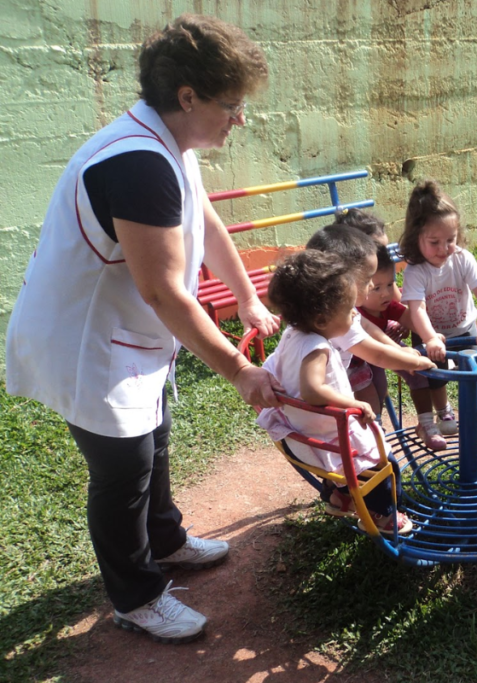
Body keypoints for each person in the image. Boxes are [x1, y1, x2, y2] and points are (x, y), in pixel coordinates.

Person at [4, 15, 281, 643]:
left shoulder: (173, 146)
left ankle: (167, 538)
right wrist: (238, 371)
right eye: (231, 105)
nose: (240, 119)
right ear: (188, 97)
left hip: (126, 332)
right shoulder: (138, 163)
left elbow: (205, 220)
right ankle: (137, 595)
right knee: (123, 465)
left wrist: (245, 296)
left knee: (153, 436)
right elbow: (162, 292)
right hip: (85, 341)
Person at [256, 250, 413, 535]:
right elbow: (313, 391)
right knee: (383, 460)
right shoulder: (316, 347)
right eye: (348, 309)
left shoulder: (293, 334)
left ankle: (338, 498)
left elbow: (274, 368)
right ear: (320, 319)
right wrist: (352, 403)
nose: (355, 313)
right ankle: (385, 516)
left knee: (366, 452)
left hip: (301, 429)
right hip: (327, 436)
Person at [302, 221, 437, 440]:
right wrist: (414, 362)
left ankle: (375, 436)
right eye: (367, 281)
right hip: (317, 416)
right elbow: (377, 354)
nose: (372, 287)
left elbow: (368, 328)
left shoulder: (335, 312)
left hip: (317, 404)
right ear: (340, 281)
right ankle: (372, 442)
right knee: (363, 438)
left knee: (372, 401)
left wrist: (401, 351)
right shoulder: (334, 321)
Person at [399, 179, 477, 438]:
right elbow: (417, 308)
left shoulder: (462, 259)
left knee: (475, 370)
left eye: (450, 240)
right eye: (434, 242)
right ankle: (444, 411)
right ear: (416, 237)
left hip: (465, 328)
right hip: (431, 333)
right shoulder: (416, 270)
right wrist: (430, 337)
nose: (444, 249)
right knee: (436, 375)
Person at [357, 242, 443, 449]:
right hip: (359, 360)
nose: (386, 293)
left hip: (383, 350)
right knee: (376, 390)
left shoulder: (385, 305)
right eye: (376, 288)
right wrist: (401, 352)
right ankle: (374, 435)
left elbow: (407, 316)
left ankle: (426, 424)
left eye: (389, 285)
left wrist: (429, 336)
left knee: (418, 373)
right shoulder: (356, 313)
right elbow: (374, 339)